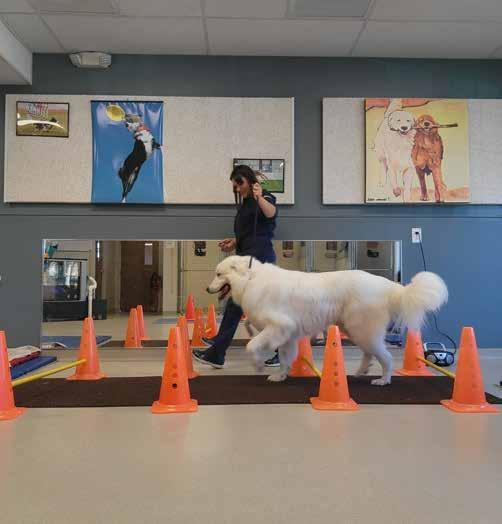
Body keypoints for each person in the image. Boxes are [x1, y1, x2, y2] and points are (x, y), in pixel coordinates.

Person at [192, 165, 280, 369]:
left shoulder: (263, 196)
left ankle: (217, 353)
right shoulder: (245, 204)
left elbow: (271, 214)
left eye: (240, 183)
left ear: (249, 180)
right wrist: (234, 242)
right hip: (248, 260)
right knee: (253, 308)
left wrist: (260, 197)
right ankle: (218, 351)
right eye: (235, 185)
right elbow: (250, 232)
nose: (238, 188)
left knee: (237, 305)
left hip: (260, 262)